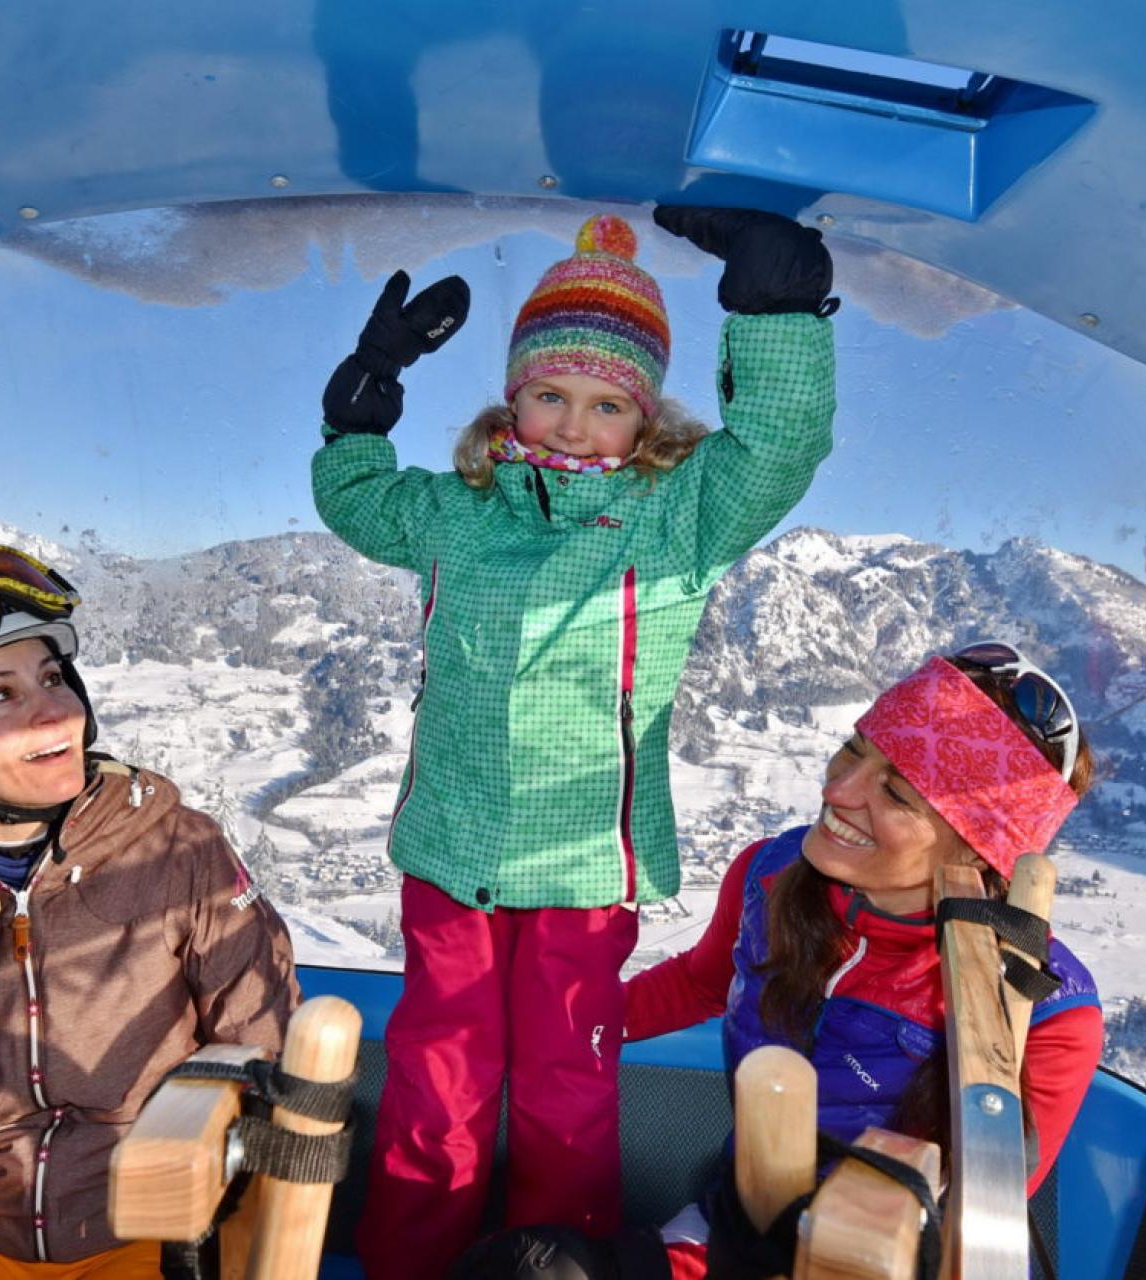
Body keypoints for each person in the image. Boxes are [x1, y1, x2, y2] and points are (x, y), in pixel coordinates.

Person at [312, 206, 838, 1279]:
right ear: (512, 397)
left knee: (565, 1093)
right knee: (434, 1084)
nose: (570, 421)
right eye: (548, 393)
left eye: (606, 403)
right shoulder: (458, 511)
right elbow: (360, 503)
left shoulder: (676, 514)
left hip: (584, 865)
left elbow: (780, 448)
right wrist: (362, 405)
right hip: (452, 854)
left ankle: (560, 1267)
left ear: (644, 418)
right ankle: (413, 1262)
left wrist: (775, 312)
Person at [0, 543, 299, 1279]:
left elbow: (261, 1043)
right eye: (0, 695)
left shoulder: (177, 851)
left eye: (51, 677)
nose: (54, 710)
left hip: (151, 1228)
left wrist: (211, 1199)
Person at [618, 644, 1103, 1278]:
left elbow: (980, 1222)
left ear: (981, 849)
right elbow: (697, 983)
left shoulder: (1042, 1009)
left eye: (897, 792)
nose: (838, 789)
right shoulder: (770, 874)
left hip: (885, 1257)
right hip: (737, 1217)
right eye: (854, 747)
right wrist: (559, 1028)